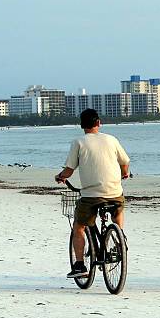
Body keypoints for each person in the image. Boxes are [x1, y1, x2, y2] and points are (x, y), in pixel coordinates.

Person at [56, 108, 130, 278]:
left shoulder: (79, 142)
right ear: (99, 123)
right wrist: (124, 172)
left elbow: (69, 170)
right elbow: (125, 161)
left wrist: (60, 177)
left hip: (91, 195)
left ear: (82, 125)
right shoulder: (111, 139)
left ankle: (80, 265)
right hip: (114, 192)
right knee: (117, 210)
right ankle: (119, 236)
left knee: (79, 227)